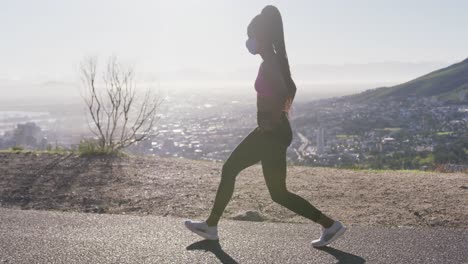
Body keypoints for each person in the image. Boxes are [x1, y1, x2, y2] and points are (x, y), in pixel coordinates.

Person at [185, 5, 346, 248]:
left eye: (251, 36)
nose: (248, 42)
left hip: (270, 133)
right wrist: (277, 116)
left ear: (261, 37)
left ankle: (211, 226)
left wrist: (270, 119)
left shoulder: (270, 62)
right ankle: (329, 225)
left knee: (230, 169)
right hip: (275, 131)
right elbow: (290, 89)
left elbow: (283, 89)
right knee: (278, 194)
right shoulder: (276, 59)